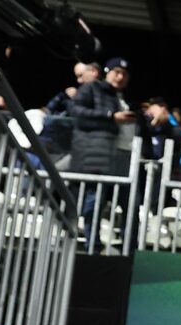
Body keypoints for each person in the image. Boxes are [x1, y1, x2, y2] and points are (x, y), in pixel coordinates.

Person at [68, 58, 136, 246]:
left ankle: (129, 248)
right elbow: (76, 112)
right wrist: (110, 117)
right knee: (94, 201)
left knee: (130, 204)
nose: (120, 77)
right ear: (107, 72)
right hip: (97, 156)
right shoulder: (92, 88)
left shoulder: (125, 98)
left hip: (124, 156)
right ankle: (92, 245)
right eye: (116, 72)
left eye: (124, 74)